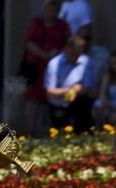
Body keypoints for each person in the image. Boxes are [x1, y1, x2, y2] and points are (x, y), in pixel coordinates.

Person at [22, 0, 71, 137]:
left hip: (56, 67)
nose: (52, 12)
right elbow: (28, 42)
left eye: (55, 9)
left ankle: (56, 130)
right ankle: (31, 131)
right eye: (49, 9)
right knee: (33, 97)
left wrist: (57, 56)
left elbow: (68, 43)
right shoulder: (36, 23)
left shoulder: (62, 26)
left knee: (55, 97)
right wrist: (45, 55)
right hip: (37, 67)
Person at [45, 35, 95, 132]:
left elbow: (88, 87)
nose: (75, 57)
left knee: (82, 131)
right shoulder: (54, 64)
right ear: (65, 49)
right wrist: (70, 91)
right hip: (58, 104)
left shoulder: (86, 61)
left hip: (79, 103)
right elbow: (50, 92)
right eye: (72, 54)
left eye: (78, 54)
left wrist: (76, 91)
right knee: (58, 134)